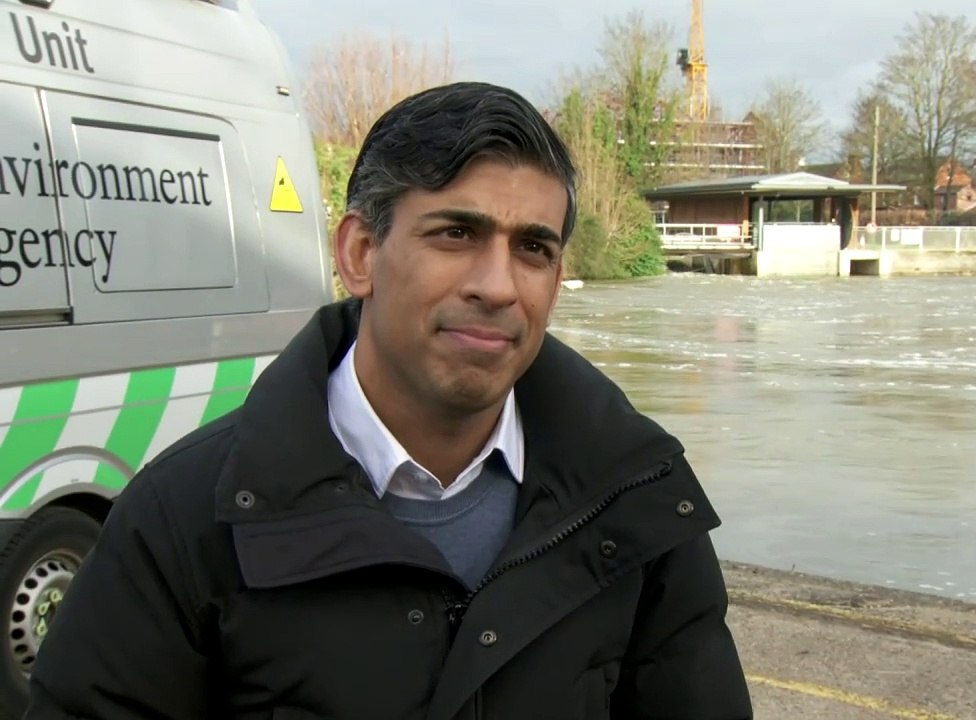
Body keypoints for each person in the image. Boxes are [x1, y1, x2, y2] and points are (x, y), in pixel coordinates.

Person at [24, 81, 754, 719]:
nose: (498, 286)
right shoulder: (185, 520)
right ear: (359, 255)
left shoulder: (639, 501)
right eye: (456, 233)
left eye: (533, 249)